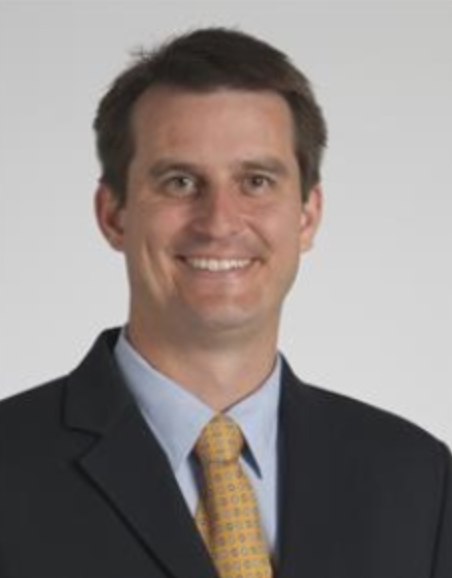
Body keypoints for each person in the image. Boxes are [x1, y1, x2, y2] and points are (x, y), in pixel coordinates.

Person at [0, 27, 450, 578]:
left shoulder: (417, 479)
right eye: (180, 182)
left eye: (256, 181)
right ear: (113, 214)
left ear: (306, 216)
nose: (219, 223)